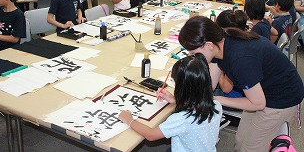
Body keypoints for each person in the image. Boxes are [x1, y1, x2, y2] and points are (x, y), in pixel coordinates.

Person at [178, 16, 304, 152]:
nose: (193, 58)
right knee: (241, 140)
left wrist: (218, 99)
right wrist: (186, 96)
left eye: (194, 53)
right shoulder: (218, 44)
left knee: (250, 148)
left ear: (208, 45)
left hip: (281, 98)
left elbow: (258, 103)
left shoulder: (240, 59)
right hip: (262, 91)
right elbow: (210, 84)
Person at [118, 54, 222, 152]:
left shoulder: (181, 119)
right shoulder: (217, 105)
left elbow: (151, 135)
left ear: (182, 88)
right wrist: (175, 100)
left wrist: (130, 120)